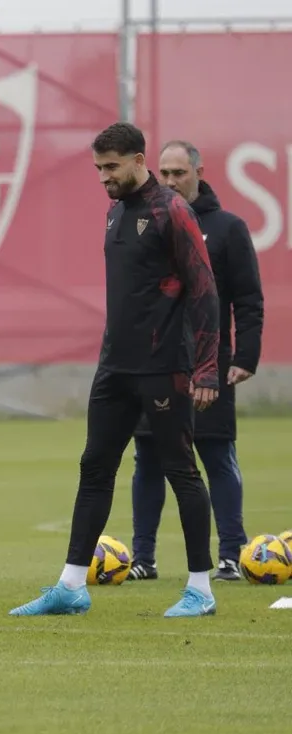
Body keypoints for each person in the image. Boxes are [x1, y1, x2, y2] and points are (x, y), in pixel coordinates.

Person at [7, 122, 221, 619]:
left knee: (181, 472)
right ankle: (71, 586)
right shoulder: (114, 212)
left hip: (164, 367)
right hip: (115, 367)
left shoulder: (172, 211)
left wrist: (207, 367)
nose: (103, 176)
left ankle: (201, 590)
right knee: (94, 467)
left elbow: (205, 290)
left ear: (138, 159)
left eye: (111, 167)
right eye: (98, 168)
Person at [129, 140, 264, 582]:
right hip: (154, 364)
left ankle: (231, 554)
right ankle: (143, 559)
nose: (169, 181)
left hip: (209, 363)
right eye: (163, 174)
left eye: (178, 173)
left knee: (216, 453)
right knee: (147, 457)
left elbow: (247, 299)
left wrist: (245, 356)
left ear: (198, 172)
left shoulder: (228, 228)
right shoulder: (145, 223)